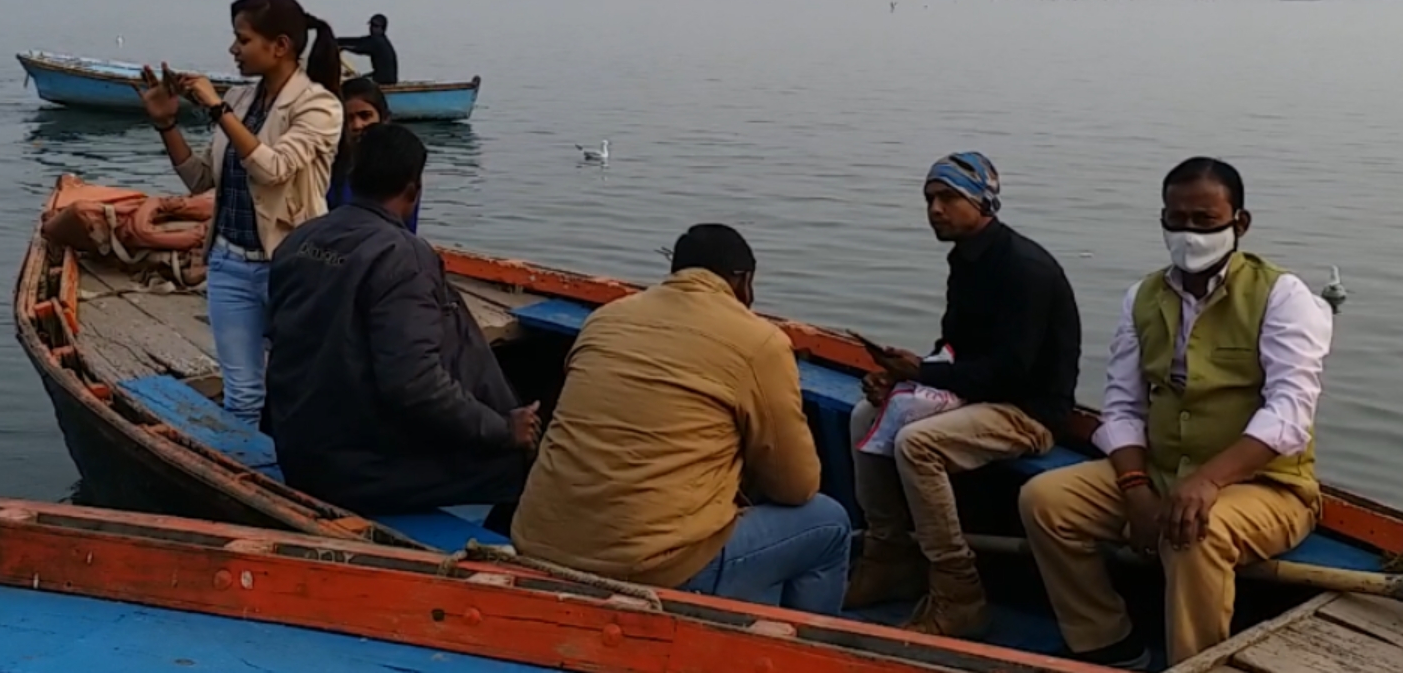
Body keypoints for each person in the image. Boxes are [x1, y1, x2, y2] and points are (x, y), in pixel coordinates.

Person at [1020, 157, 1332, 669]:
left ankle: (1196, 664)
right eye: (1176, 219)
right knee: (1045, 501)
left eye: (1205, 221)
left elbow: (1289, 413)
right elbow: (1121, 407)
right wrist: (1136, 488)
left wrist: (1208, 482)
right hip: (1163, 473)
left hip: (1268, 487)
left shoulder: (1282, 295)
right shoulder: (1141, 297)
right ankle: (1107, 643)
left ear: (1240, 223)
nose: (1189, 234)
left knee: (1195, 534)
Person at [511, 225, 850, 614]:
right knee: (829, 524)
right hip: (651, 568)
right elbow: (797, 486)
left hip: (538, 540)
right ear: (744, 283)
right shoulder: (760, 342)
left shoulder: (605, 319)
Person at [845, 152, 1081, 639]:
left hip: (1026, 412)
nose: (935, 209)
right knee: (863, 414)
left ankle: (959, 590)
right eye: (930, 198)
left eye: (948, 198)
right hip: (980, 396)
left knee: (918, 443)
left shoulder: (1024, 269)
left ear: (982, 201)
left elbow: (1010, 372)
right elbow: (957, 349)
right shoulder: (967, 260)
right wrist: (902, 377)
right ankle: (887, 554)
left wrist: (926, 372)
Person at [265, 123, 538, 517]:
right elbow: (414, 383)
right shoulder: (403, 256)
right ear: (413, 190)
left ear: (352, 178)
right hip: (356, 472)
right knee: (520, 463)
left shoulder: (299, 240)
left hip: (302, 449)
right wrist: (503, 429)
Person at [136, 0, 344, 426]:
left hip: (289, 267)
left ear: (280, 46)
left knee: (301, 387)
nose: (233, 49)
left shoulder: (319, 106)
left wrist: (216, 108)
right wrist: (165, 123)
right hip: (228, 263)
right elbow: (200, 180)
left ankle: (300, 480)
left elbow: (273, 168)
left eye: (243, 40)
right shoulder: (242, 100)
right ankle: (246, 477)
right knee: (242, 394)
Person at [329, 76, 422, 232]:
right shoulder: (332, 163)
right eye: (349, 119)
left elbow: (408, 226)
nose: (357, 125)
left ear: (384, 119)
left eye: (365, 116)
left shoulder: (403, 165)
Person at [336, 13, 399, 85]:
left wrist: (343, 47)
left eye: (376, 26)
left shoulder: (378, 42)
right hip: (381, 77)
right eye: (371, 25)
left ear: (382, 28)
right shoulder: (375, 40)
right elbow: (358, 41)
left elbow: (359, 48)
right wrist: (338, 41)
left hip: (383, 81)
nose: (372, 28)